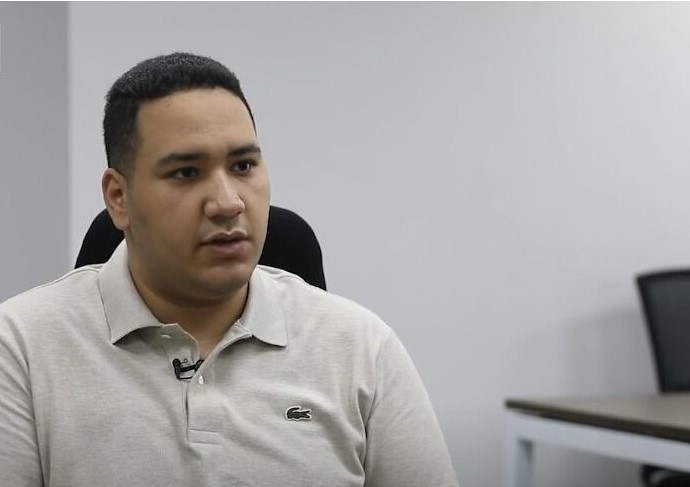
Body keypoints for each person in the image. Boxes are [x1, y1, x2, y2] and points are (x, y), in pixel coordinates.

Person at [0, 52, 458, 486]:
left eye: (243, 165)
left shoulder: (360, 348)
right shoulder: (21, 347)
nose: (228, 202)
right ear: (119, 197)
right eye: (186, 172)